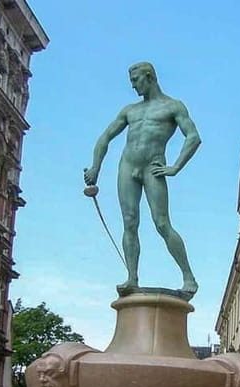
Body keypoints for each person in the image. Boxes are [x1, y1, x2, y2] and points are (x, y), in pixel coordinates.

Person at [84, 62, 201, 297]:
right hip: (128, 166)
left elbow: (193, 137)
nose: (134, 86)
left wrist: (175, 167)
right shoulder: (130, 110)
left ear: (149, 77)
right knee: (130, 222)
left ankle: (188, 276)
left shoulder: (172, 106)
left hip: (153, 167)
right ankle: (132, 277)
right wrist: (96, 167)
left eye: (136, 80)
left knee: (161, 223)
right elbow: (105, 138)